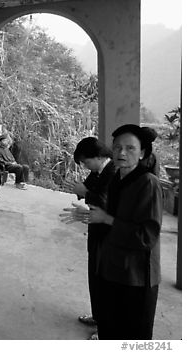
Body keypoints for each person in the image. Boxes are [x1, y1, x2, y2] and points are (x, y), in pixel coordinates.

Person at [87, 124, 163, 340]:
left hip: (136, 276)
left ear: (143, 153)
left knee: (132, 335)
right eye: (117, 147)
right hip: (113, 268)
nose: (121, 153)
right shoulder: (117, 179)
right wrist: (93, 216)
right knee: (111, 328)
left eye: (130, 148)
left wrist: (107, 218)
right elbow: (111, 220)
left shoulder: (149, 183)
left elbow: (147, 236)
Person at [64, 137, 116, 340]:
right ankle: (98, 316)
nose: (85, 166)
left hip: (109, 235)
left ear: (98, 156)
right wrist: (81, 192)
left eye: (86, 162)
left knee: (105, 281)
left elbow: (106, 201)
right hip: (96, 230)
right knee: (94, 276)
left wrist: (85, 192)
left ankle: (106, 330)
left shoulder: (113, 172)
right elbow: (87, 191)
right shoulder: (97, 171)